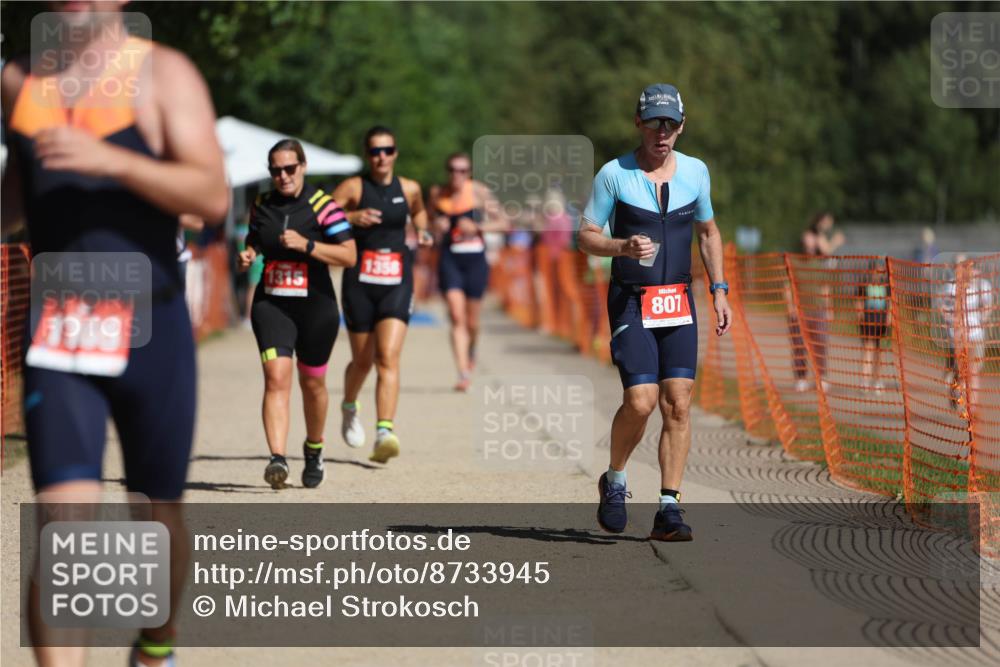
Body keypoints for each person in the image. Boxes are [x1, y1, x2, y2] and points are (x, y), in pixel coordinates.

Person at [1, 4, 228, 666]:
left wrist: (113, 160)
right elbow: (22, 190)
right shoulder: (20, 81)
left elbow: (211, 194)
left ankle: (157, 640)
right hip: (62, 332)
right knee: (64, 530)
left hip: (151, 331)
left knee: (158, 520)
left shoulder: (164, 75)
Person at [577, 84, 732, 542]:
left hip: (678, 300)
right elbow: (585, 236)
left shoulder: (697, 173)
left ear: (681, 127)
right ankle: (616, 479)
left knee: (679, 404)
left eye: (670, 124)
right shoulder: (614, 174)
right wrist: (620, 246)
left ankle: (669, 507)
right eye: (653, 123)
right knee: (641, 401)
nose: (661, 133)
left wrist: (720, 290)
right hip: (631, 298)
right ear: (638, 124)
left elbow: (708, 232)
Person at [238, 139, 356, 489]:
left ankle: (314, 448)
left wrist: (307, 246)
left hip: (316, 307)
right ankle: (277, 458)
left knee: (313, 382)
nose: (283, 176)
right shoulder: (262, 203)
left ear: (302, 167)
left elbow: (349, 255)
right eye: (276, 170)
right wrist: (247, 253)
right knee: (276, 377)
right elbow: (255, 239)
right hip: (272, 304)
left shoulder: (324, 206)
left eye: (290, 168)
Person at [333, 126, 432, 463]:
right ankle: (349, 406)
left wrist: (422, 229)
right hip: (359, 281)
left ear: (395, 153)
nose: (381, 156)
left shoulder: (409, 187)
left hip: (396, 278)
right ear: (367, 154)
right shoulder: (353, 187)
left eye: (387, 150)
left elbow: (418, 209)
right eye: (375, 151)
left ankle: (384, 431)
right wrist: (352, 216)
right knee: (362, 360)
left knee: (387, 357)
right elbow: (322, 218)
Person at [428, 151, 509, 391]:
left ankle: (471, 350)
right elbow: (427, 223)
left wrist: (478, 226)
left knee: (472, 321)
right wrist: (436, 225)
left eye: (462, 170)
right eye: (453, 170)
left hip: (475, 260)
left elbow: (505, 222)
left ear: (469, 173)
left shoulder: (479, 192)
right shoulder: (437, 194)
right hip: (449, 259)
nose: (457, 175)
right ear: (447, 172)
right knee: (456, 315)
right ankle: (463, 372)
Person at [791, 211, 843, 392]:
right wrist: (792, 307)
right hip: (801, 310)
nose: (810, 244)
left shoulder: (820, 263)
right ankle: (801, 377)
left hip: (818, 309)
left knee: (820, 345)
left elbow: (825, 286)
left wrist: (829, 308)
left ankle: (821, 377)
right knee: (799, 345)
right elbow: (788, 287)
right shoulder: (795, 262)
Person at [858, 258, 891, 394]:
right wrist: (860, 317)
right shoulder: (865, 283)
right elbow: (859, 302)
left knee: (880, 352)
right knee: (868, 349)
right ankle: (865, 380)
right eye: (877, 270)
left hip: (881, 321)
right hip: (868, 319)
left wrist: (889, 318)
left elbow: (889, 303)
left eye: (881, 270)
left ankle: (877, 380)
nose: (879, 273)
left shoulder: (886, 285)